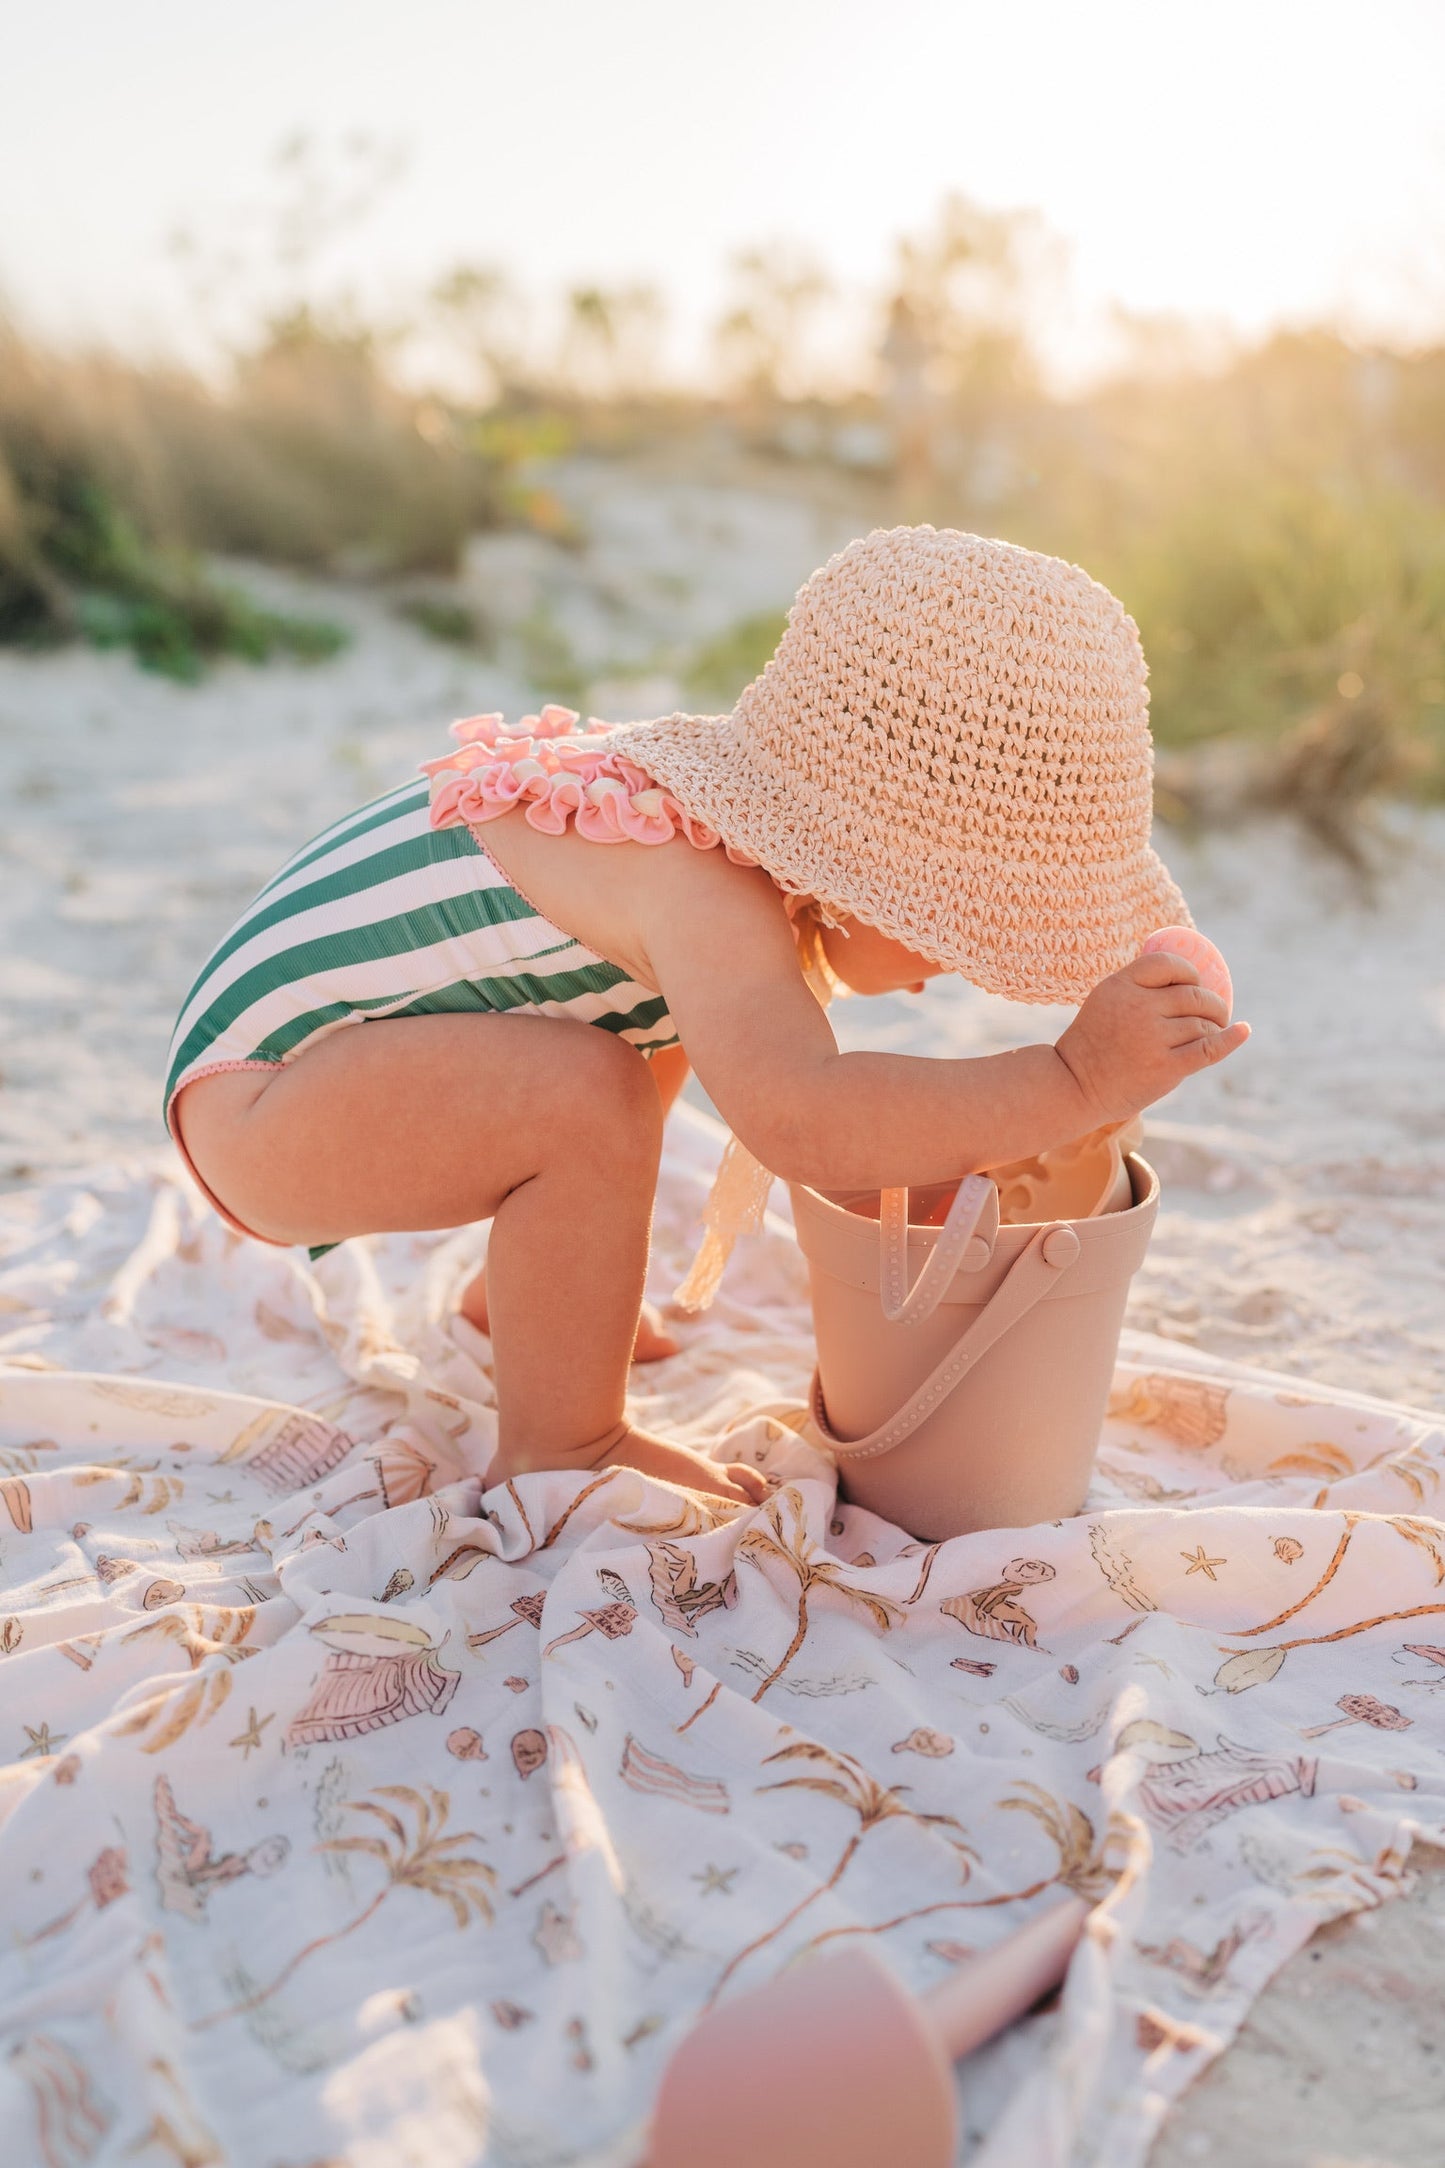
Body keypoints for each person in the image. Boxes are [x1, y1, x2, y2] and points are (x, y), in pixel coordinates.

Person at [163, 527, 1247, 1507]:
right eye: (953, 932)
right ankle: (564, 1443)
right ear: (862, 866)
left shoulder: (697, 815)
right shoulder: (700, 894)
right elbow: (801, 1121)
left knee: (634, 1054)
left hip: (311, 1066)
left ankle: (530, 1302)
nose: (938, 978)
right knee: (583, 1099)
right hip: (264, 1099)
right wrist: (1067, 1084)